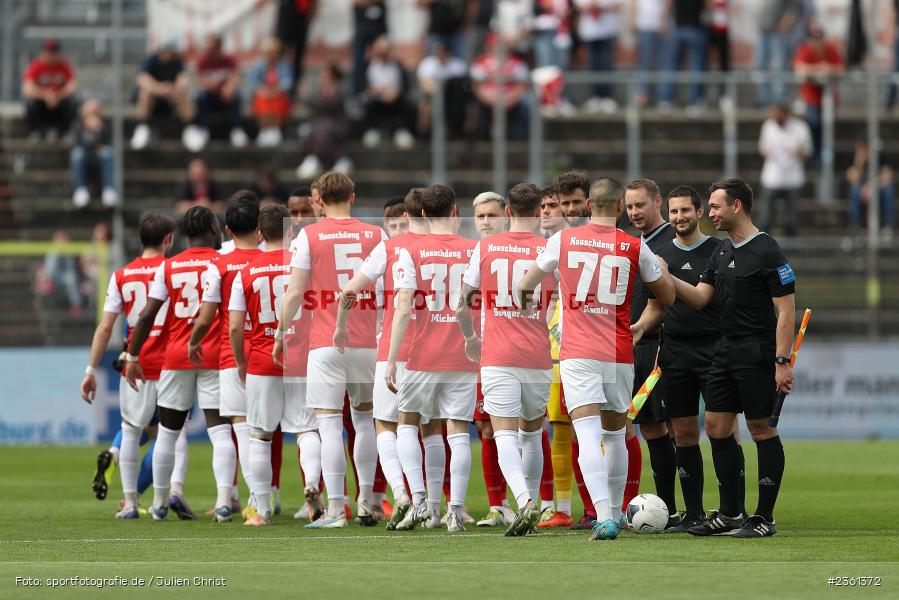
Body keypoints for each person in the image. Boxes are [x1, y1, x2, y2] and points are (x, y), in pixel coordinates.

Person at [519, 177, 676, 541]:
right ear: (620, 207)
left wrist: (534, 309)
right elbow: (667, 297)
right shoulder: (635, 245)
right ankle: (618, 513)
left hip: (578, 352)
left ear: (589, 205)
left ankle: (603, 517)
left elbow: (526, 284)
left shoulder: (563, 240)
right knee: (616, 434)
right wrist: (663, 271)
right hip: (619, 351)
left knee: (587, 434)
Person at [671, 178, 795, 538]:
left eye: (715, 206)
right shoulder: (723, 250)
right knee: (715, 426)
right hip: (724, 349)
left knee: (761, 429)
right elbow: (700, 298)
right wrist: (666, 277)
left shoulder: (767, 249)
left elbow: (786, 311)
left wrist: (782, 362)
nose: (710, 213)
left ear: (736, 206)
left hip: (756, 350)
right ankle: (730, 514)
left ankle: (764, 518)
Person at [273, 172, 386, 529]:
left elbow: (294, 292)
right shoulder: (376, 234)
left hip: (325, 342)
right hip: (366, 341)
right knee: (365, 421)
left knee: (329, 424)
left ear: (319, 200)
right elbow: (385, 291)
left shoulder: (308, 236)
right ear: (353, 196)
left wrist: (280, 333)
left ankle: (336, 509)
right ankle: (366, 501)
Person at [457, 183, 556, 536]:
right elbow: (564, 298)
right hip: (538, 356)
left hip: (498, 355)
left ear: (509, 212)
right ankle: (532, 505)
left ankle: (524, 501)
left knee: (503, 434)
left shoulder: (485, 247)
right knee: (532, 433)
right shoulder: (549, 247)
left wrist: (470, 338)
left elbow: (463, 304)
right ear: (538, 212)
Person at [333, 187, 429, 530]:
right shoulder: (447, 247)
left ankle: (402, 495)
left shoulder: (387, 250)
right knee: (433, 429)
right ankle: (437, 506)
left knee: (385, 425)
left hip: (396, 347)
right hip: (438, 349)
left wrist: (341, 326)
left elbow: (349, 290)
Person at [384, 184, 478, 533]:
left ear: (422, 214)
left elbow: (403, 306)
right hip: (462, 354)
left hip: (422, 354)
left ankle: (420, 501)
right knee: (457, 430)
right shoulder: (473, 249)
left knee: (407, 424)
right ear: (454, 211)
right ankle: (454, 511)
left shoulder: (410, 250)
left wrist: (391, 360)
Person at [630, 186, 724, 532]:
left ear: (699, 212)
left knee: (720, 430)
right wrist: (638, 328)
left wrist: (667, 274)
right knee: (683, 433)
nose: (679, 217)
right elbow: (656, 305)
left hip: (715, 351)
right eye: (674, 212)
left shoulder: (718, 250)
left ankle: (731, 510)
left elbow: (705, 299)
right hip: (674, 352)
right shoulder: (660, 253)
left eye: (685, 210)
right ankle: (694, 514)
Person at [124, 206, 225, 522]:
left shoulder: (168, 267)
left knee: (167, 433)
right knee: (220, 431)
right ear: (213, 229)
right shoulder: (222, 262)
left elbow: (146, 316)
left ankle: (159, 504)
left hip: (177, 356)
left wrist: (132, 356)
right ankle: (224, 502)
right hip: (214, 355)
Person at [80, 214, 181, 518]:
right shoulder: (173, 270)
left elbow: (105, 327)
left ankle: (130, 504)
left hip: (135, 364)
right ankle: (161, 501)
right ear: (168, 239)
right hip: (171, 363)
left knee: (131, 430)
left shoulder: (121, 275)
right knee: (171, 434)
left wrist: (90, 370)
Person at [229, 203, 323, 526]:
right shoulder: (303, 269)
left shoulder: (245, 272)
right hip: (300, 359)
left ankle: (262, 511)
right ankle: (312, 489)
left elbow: (235, 327)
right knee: (307, 430)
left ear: (259, 234)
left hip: (261, 360)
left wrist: (240, 362)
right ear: (290, 231)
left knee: (260, 436)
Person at [186, 193, 261, 522]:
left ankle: (249, 502)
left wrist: (193, 341)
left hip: (235, 356)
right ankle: (315, 500)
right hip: (272, 353)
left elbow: (206, 317)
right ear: (259, 228)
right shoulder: (276, 260)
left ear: (228, 230)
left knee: (240, 428)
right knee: (292, 430)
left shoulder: (219, 264)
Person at [623, 178, 679, 525]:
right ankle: (670, 509)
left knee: (674, 428)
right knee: (653, 429)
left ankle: (681, 509)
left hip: (663, 345)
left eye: (640, 205)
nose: (634, 212)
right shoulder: (634, 244)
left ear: (657, 201)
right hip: (639, 346)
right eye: (629, 206)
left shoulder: (670, 242)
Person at [469, 191, 516, 527]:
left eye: (491, 215)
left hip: (524, 351)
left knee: (528, 426)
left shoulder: (524, 249)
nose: (486, 221)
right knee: (486, 426)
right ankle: (498, 505)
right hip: (488, 353)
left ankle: (541, 502)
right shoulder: (477, 253)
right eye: (480, 216)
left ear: (506, 216)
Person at [757, 104, 812, 237]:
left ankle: (791, 245)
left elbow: (808, 151)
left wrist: (795, 153)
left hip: (793, 178)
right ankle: (762, 244)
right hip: (772, 178)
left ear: (786, 113)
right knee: (766, 217)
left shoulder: (801, 127)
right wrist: (773, 153)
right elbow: (763, 148)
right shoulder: (768, 126)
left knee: (792, 220)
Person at [793, 22, 844, 164]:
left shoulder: (830, 49)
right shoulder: (805, 50)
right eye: (814, 39)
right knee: (814, 123)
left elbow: (841, 69)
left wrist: (829, 69)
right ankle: (817, 155)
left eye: (820, 38)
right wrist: (819, 68)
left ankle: (827, 156)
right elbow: (799, 68)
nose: (817, 42)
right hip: (811, 97)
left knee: (829, 125)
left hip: (829, 97)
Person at [186, 35, 248, 152]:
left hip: (225, 95)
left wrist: (229, 87)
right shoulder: (203, 61)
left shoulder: (229, 60)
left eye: (212, 48)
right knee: (200, 97)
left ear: (219, 48)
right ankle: (202, 129)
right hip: (210, 96)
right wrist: (209, 85)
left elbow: (235, 77)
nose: (209, 51)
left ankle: (236, 130)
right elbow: (199, 80)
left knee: (237, 96)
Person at [131, 41, 192, 151]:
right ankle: (142, 127)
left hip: (170, 99)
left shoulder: (177, 62)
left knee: (182, 94)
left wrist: (173, 89)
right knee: (145, 93)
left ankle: (188, 128)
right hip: (153, 100)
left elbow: (183, 79)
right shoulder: (151, 60)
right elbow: (142, 79)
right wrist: (160, 89)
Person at [296, 65, 353, 179]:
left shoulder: (339, 90)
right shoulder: (320, 91)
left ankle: (339, 160)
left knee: (324, 130)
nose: (322, 78)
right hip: (320, 124)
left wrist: (306, 97)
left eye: (325, 75)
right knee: (307, 131)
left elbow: (326, 106)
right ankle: (314, 160)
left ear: (333, 77)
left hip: (338, 124)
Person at [470, 35, 530, 140]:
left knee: (526, 102)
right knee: (475, 105)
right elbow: (476, 87)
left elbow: (523, 86)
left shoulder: (517, 62)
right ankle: (482, 137)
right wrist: (490, 101)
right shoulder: (480, 62)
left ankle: (519, 138)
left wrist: (510, 100)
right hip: (488, 99)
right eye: (495, 46)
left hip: (511, 98)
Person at [362, 37, 415, 150]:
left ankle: (401, 131)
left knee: (407, 103)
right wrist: (380, 91)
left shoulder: (397, 66)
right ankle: (373, 131)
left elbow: (404, 85)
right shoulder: (370, 66)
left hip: (395, 98)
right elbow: (368, 87)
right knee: (368, 103)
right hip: (377, 99)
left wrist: (394, 92)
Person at [22, 38, 78, 141]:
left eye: (54, 52)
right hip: (42, 105)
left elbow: (73, 86)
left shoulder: (64, 66)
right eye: (48, 51)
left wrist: (58, 95)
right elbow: (27, 88)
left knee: (73, 103)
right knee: (30, 103)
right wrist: (45, 95)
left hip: (59, 103)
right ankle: (37, 132)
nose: (51, 55)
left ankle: (64, 132)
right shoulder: (36, 66)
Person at [658, 0, 708, 115]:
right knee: (696, 67)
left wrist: (663, 22)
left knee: (671, 65)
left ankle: (666, 100)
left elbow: (668, 4)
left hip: (679, 27)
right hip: (695, 27)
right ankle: (694, 102)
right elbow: (708, 7)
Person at [575, 0, 622, 114]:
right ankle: (595, 96)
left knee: (606, 64)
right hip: (590, 31)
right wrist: (590, 6)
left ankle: (606, 97)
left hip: (607, 31)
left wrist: (602, 6)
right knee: (593, 65)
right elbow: (578, 6)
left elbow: (619, 5)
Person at [416, 41, 470, 138]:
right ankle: (424, 134)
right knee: (425, 105)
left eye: (442, 53)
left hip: (454, 99)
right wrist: (438, 89)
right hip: (433, 96)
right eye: (438, 53)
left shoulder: (458, 65)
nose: (440, 56)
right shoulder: (428, 63)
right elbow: (424, 84)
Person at [70, 99, 117, 208]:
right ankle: (79, 191)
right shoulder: (77, 125)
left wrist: (99, 131)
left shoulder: (105, 125)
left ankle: (109, 190)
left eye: (95, 112)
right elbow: (76, 145)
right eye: (90, 112)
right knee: (77, 154)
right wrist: (89, 132)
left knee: (108, 153)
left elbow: (108, 144)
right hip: (84, 161)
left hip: (99, 162)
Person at [755, 0, 802, 107]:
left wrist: (784, 26)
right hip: (764, 31)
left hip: (777, 34)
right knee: (761, 66)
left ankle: (779, 100)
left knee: (779, 67)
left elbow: (794, 9)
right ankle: (763, 98)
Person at [249, 38, 294, 147]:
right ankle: (264, 130)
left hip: (278, 94)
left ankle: (275, 130)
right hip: (263, 94)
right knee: (262, 101)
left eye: (273, 52)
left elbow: (288, 82)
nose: (271, 55)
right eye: (269, 52)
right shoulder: (258, 66)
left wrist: (276, 90)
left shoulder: (284, 65)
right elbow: (253, 83)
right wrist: (263, 90)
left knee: (278, 101)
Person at [847, 139, 896, 234]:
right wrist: (859, 162)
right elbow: (852, 177)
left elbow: (887, 175)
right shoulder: (856, 159)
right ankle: (855, 225)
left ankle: (888, 224)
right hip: (862, 192)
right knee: (854, 189)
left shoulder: (880, 158)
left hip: (877, 190)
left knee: (888, 189)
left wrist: (872, 187)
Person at [631, 0, 667, 107]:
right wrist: (633, 20)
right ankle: (641, 96)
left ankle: (663, 98)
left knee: (662, 63)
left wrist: (663, 21)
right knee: (643, 62)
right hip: (643, 25)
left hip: (659, 26)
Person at [276, 0, 316, 95]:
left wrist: (312, 10)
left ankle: (294, 85)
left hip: (302, 15)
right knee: (281, 50)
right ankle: (279, 81)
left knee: (298, 54)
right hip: (288, 12)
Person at [351, 1, 388, 98]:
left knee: (381, 60)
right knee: (359, 63)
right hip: (362, 31)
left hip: (379, 29)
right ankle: (358, 94)